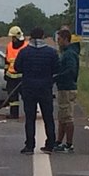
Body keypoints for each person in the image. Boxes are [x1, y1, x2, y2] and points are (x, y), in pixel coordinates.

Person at [14, 27, 60, 155]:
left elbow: (17, 67)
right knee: (48, 117)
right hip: (45, 88)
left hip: (29, 88)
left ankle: (29, 145)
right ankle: (50, 144)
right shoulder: (51, 52)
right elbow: (56, 68)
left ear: (31, 37)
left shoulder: (24, 52)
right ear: (43, 36)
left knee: (30, 118)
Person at [53, 29, 80, 153]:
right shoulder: (67, 53)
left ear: (65, 39)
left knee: (67, 117)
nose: (58, 42)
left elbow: (71, 70)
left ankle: (69, 144)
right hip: (64, 87)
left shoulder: (69, 54)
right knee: (62, 116)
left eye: (59, 40)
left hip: (67, 88)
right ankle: (59, 142)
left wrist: (56, 77)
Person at [5, 26, 28, 119]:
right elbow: (6, 61)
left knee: (26, 97)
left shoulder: (26, 46)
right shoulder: (9, 46)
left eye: (14, 37)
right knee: (12, 98)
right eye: (12, 37)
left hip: (23, 77)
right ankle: (14, 114)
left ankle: (30, 113)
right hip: (11, 76)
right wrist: (5, 73)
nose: (13, 39)